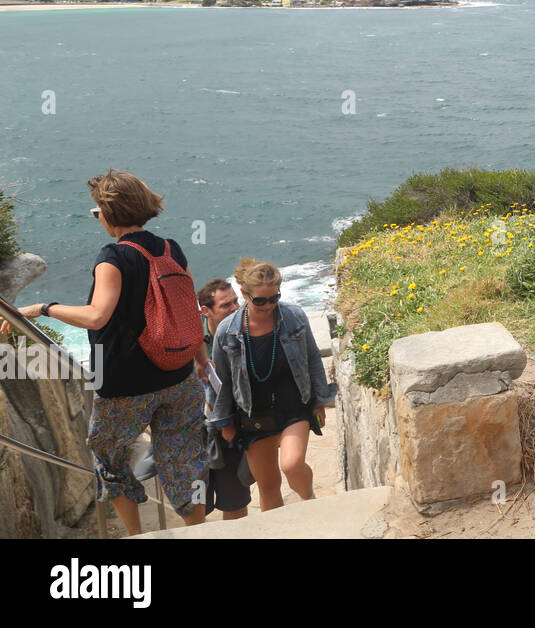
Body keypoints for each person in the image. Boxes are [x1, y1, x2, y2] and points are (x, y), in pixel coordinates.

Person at [0, 169, 206, 534]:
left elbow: (97, 316)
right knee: (184, 461)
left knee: (109, 460)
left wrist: (42, 308)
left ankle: (138, 535)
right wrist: (200, 360)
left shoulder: (113, 256)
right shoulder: (173, 247)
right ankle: (201, 531)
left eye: (97, 212)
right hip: (179, 377)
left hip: (128, 386)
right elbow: (186, 308)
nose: (98, 219)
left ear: (109, 213)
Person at [208, 258, 334, 512]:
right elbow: (220, 382)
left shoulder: (294, 316)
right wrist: (224, 423)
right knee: (267, 485)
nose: (269, 305)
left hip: (293, 406)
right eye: (260, 300)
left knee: (292, 464)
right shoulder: (226, 332)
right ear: (245, 294)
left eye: (274, 298)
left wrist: (319, 401)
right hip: (252, 415)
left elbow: (312, 359)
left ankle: (309, 501)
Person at [195, 278, 252, 520]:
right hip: (195, 437)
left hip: (231, 434)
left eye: (235, 302)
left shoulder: (247, 333)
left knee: (235, 503)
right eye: (226, 305)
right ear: (205, 311)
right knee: (196, 505)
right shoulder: (189, 341)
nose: (235, 308)